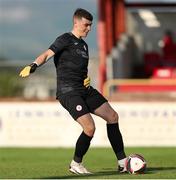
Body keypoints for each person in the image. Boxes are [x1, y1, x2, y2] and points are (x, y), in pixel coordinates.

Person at [19, 8, 127, 175]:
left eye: (91, 25)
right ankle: (76, 164)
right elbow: (47, 54)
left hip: (84, 90)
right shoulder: (65, 39)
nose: (89, 29)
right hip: (68, 92)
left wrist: (85, 78)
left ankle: (122, 163)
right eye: (86, 25)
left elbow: (78, 68)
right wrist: (33, 65)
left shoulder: (83, 45)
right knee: (89, 128)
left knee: (113, 117)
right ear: (76, 22)